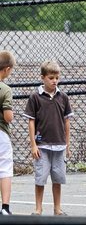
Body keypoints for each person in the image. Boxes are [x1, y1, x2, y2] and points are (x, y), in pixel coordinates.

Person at [23, 60, 73, 216]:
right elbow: (31, 122)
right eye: (51, 78)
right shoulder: (35, 97)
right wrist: (33, 145)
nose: (54, 81)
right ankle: (38, 208)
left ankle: (57, 209)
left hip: (59, 145)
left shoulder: (63, 97)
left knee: (57, 179)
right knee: (40, 178)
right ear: (42, 78)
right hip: (42, 145)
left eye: (57, 78)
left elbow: (67, 122)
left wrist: (68, 144)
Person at [0, 50, 16, 215]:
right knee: (4, 168)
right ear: (6, 69)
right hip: (1, 134)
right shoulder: (5, 89)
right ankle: (5, 207)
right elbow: (8, 116)